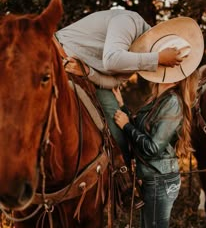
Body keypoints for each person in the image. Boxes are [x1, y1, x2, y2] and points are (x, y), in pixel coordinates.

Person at [112, 17, 204, 228]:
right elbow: (142, 129)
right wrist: (124, 108)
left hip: (160, 181)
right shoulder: (158, 98)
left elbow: (151, 147)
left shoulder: (172, 103)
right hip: (154, 178)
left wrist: (127, 125)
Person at [55, 10, 183, 166]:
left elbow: (114, 81)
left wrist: (89, 72)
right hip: (59, 55)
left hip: (86, 74)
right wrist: (158, 58)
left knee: (116, 126)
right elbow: (112, 60)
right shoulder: (129, 21)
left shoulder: (139, 57)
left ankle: (123, 176)